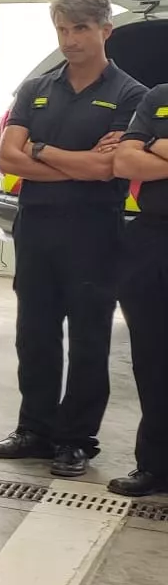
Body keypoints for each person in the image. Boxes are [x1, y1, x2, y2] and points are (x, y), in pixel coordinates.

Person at [0, 0, 146, 479]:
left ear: (105, 31)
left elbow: (108, 169)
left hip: (94, 231)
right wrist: (71, 160)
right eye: (62, 29)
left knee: (90, 338)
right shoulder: (37, 87)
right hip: (37, 227)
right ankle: (34, 429)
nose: (70, 40)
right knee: (34, 333)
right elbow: (6, 158)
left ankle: (76, 439)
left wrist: (41, 152)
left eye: (80, 29)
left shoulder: (129, 94)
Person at [110, 80, 168, 498]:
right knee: (151, 360)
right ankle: (153, 465)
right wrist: (141, 151)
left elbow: (141, 153)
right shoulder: (159, 97)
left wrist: (157, 148)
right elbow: (124, 162)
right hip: (151, 242)